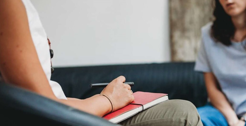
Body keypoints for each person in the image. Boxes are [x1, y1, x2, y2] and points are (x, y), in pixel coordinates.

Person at [0, 0, 202, 126]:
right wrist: (107, 100)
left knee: (182, 109)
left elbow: (46, 97)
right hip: (60, 118)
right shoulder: (8, 4)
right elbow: (42, 107)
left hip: (64, 112)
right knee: (182, 114)